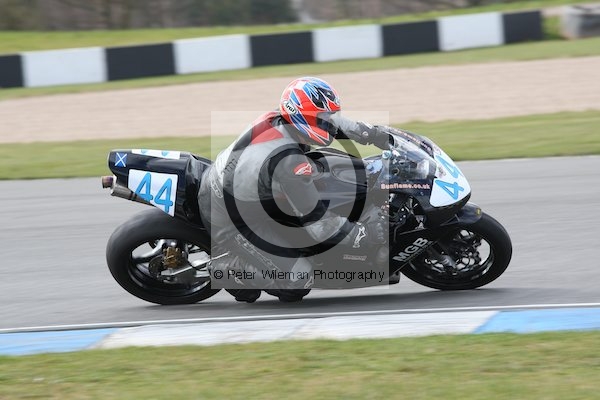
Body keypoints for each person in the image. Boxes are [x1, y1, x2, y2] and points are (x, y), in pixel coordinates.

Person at [198, 76, 393, 303]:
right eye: (323, 119)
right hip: (232, 219)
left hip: (242, 188)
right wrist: (363, 234)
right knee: (298, 280)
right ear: (303, 117)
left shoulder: (284, 118)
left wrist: (374, 134)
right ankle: (224, 269)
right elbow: (319, 224)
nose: (329, 124)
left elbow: (333, 122)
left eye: (329, 116)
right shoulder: (289, 163)